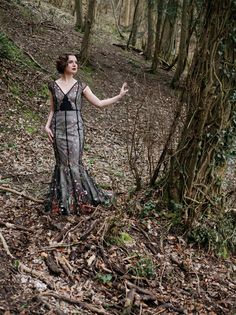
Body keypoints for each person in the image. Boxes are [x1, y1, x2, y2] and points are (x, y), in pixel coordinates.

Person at [44, 53, 128, 215]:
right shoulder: (53, 86)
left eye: (76, 62)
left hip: (76, 129)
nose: (75, 65)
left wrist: (119, 96)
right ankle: (62, 201)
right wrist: (47, 127)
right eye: (71, 62)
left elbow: (99, 103)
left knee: (74, 162)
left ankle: (79, 200)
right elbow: (53, 109)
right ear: (64, 65)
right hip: (58, 129)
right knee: (62, 163)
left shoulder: (81, 86)